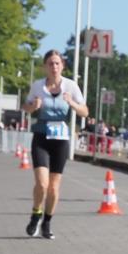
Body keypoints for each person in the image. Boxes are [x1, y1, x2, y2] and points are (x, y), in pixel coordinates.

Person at [21, 50, 88, 239]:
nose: (54, 67)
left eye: (57, 63)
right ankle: (36, 214)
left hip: (60, 139)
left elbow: (85, 111)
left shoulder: (71, 86)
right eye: (50, 63)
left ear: (62, 66)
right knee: (42, 184)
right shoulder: (37, 86)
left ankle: (47, 223)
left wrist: (72, 104)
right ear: (45, 66)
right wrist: (33, 107)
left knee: (53, 186)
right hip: (41, 137)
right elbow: (24, 107)